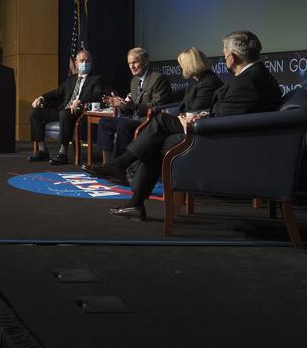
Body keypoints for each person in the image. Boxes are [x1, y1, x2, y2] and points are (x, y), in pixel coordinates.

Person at [89, 31, 282, 220]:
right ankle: (126, 182)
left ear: (232, 57)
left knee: (155, 140)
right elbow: (225, 113)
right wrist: (201, 115)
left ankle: (127, 184)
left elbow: (223, 120)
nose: (224, 57)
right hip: (222, 135)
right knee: (158, 127)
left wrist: (194, 121)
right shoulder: (254, 76)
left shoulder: (248, 82)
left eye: (224, 53)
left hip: (220, 144)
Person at [93, 48, 175, 161]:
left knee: (124, 125)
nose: (131, 67)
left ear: (145, 61)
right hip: (134, 117)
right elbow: (131, 108)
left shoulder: (158, 79)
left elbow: (158, 106)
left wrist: (132, 106)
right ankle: (107, 163)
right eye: (129, 63)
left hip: (149, 121)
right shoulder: (134, 81)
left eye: (134, 62)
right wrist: (121, 104)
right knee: (104, 122)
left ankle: (118, 165)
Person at [27, 49, 104, 165]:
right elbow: (57, 92)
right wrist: (41, 98)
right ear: (76, 63)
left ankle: (63, 153)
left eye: (87, 61)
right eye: (81, 60)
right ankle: (42, 150)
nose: (84, 63)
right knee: (35, 113)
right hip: (63, 109)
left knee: (65, 113)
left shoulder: (96, 79)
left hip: (78, 112)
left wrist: (80, 101)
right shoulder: (71, 79)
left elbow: (97, 94)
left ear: (91, 63)